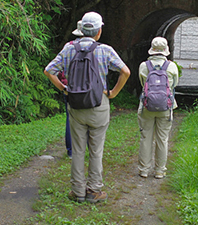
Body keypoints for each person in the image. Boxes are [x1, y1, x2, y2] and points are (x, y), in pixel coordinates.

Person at [44, 12, 130, 204]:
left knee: (78, 149)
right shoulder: (105, 50)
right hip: (98, 104)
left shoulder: (69, 49)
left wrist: (64, 88)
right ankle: (94, 190)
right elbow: (125, 71)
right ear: (99, 31)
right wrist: (113, 93)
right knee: (96, 150)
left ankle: (77, 191)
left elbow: (49, 70)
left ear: (81, 29)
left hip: (75, 105)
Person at [137, 37, 179, 179]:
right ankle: (160, 170)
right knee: (162, 139)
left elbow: (143, 84)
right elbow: (173, 86)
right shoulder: (171, 66)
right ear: (165, 50)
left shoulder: (144, 66)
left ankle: (144, 169)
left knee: (145, 137)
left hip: (147, 106)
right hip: (165, 108)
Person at [57, 21, 86, 159]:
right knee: (87, 119)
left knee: (70, 119)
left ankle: (70, 151)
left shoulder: (68, 47)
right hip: (87, 89)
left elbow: (55, 68)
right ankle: (84, 149)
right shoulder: (93, 47)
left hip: (69, 88)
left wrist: (62, 86)